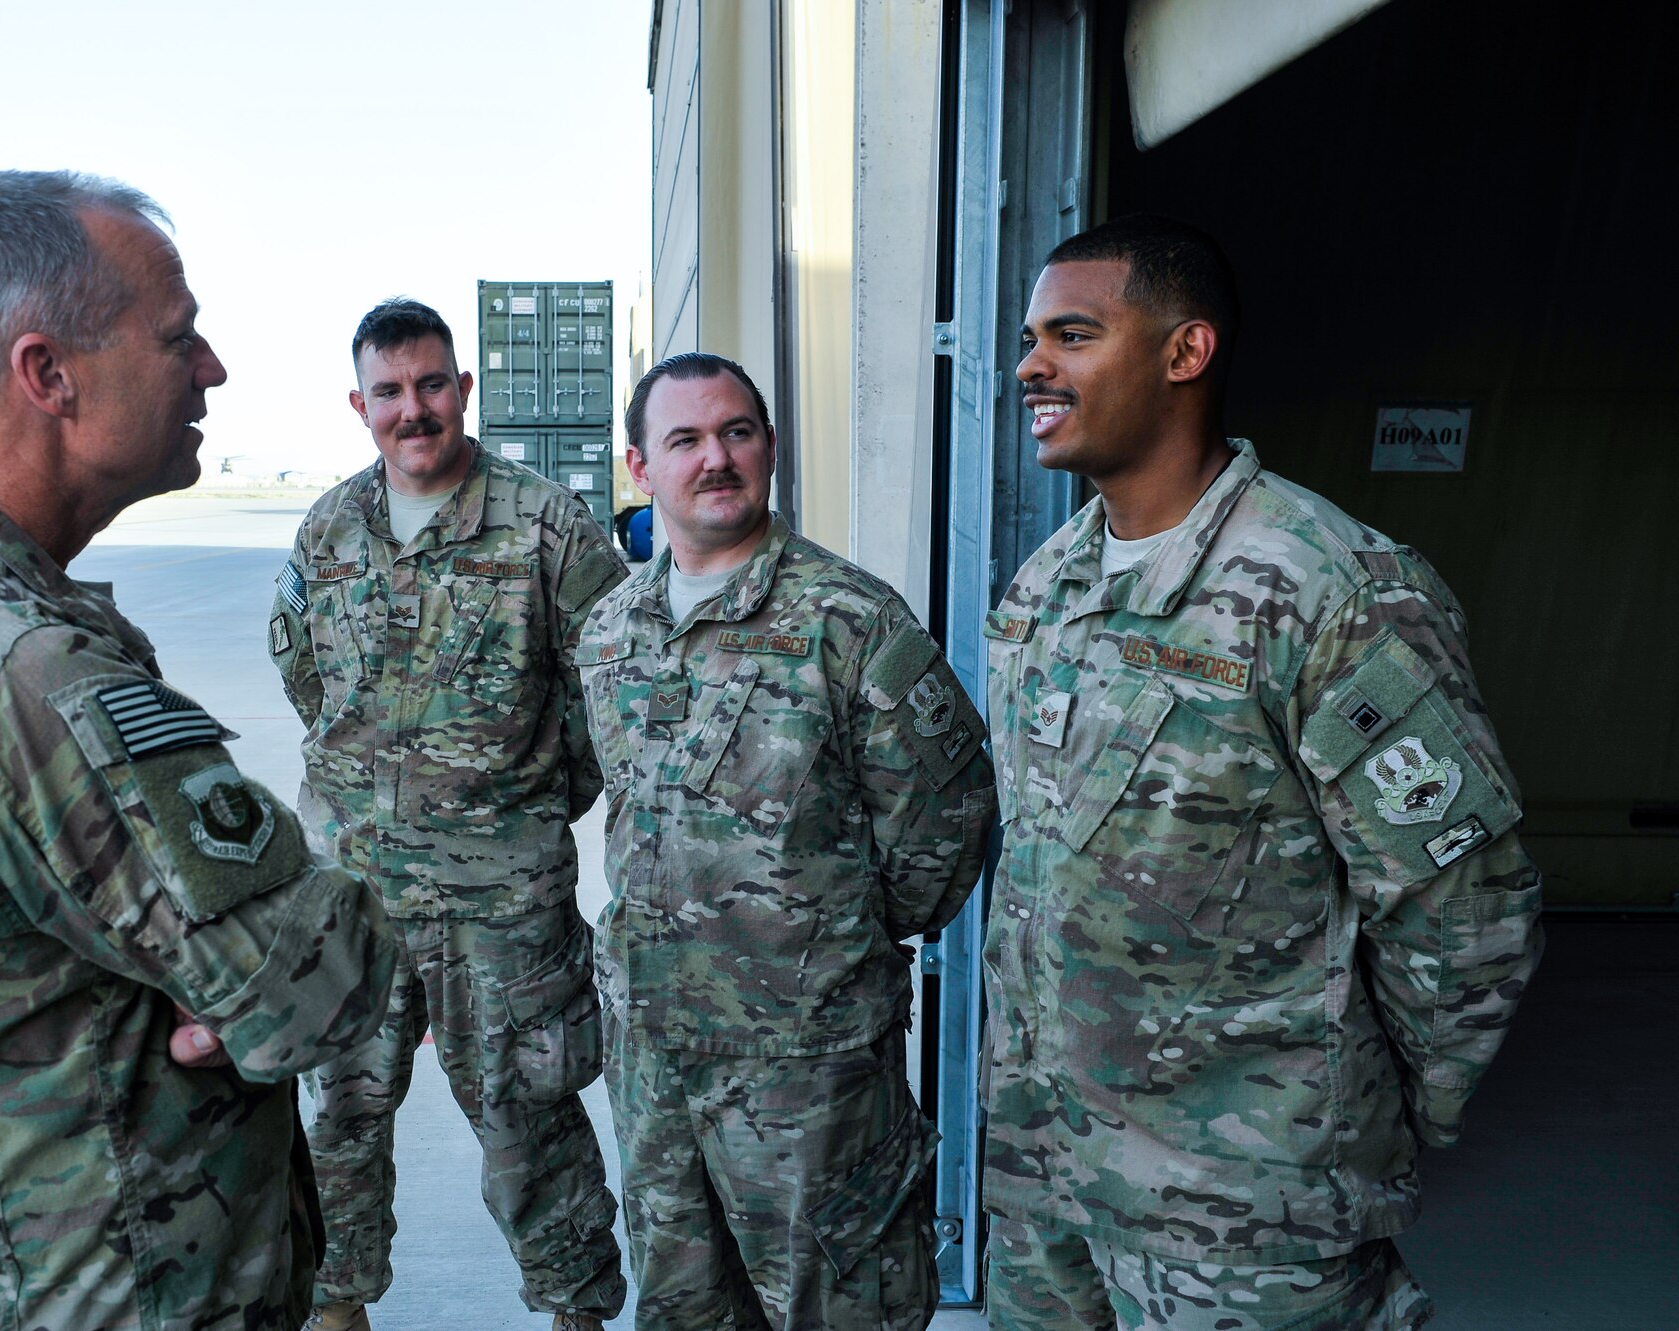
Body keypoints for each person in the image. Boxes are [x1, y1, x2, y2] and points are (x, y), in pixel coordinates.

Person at [0, 170, 397, 1331]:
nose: (210, 367)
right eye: (178, 336)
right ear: (48, 374)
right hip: (103, 1285)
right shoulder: (23, 663)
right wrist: (294, 937)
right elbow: (320, 983)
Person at [980, 213, 1544, 1330]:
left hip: (1240, 1207)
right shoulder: (1048, 585)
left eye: (1072, 334)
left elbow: (1465, 913)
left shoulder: (1332, 589)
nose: (1029, 364)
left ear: (1183, 353)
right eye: (1030, 336)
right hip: (1045, 1170)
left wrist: (1361, 1117)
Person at [575, 352, 997, 1330]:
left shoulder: (847, 619)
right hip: (656, 1058)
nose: (715, 457)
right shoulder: (608, 631)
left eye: (738, 432)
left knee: (835, 1305)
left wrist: (824, 935)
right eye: (684, 439)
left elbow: (946, 816)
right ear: (641, 466)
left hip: (809, 1068)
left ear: (768, 447)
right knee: (682, 1304)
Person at [270, 298, 628, 1331]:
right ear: (359, 402)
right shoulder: (329, 527)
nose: (412, 408)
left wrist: (528, 799)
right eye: (389, 390)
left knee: (528, 1119)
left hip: (499, 900)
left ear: (462, 389)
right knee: (335, 1112)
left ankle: (574, 1311)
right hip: (356, 894)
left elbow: (607, 684)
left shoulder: (545, 523)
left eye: (431, 384)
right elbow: (301, 669)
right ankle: (335, 1307)